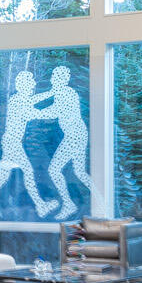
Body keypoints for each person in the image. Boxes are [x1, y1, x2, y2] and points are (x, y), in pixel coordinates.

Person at [0, 70, 56, 216]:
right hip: (12, 143)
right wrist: (55, 111)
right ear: (24, 85)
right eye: (31, 82)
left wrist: (52, 92)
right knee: (27, 172)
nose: (34, 85)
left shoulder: (19, 99)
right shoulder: (18, 101)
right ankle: (41, 206)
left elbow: (34, 100)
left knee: (3, 177)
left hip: (12, 142)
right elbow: (37, 113)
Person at [43, 66, 93, 217]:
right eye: (53, 76)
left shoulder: (66, 93)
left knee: (54, 170)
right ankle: (101, 199)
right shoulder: (63, 92)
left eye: (55, 77)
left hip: (74, 135)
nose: (52, 79)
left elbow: (54, 111)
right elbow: (54, 110)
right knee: (80, 172)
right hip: (76, 134)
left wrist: (34, 113)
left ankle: (68, 204)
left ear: (62, 79)